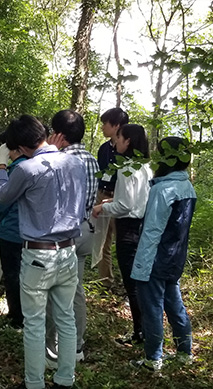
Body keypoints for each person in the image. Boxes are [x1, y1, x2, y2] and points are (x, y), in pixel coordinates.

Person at [0, 115, 86, 389]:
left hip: (38, 255)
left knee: (34, 323)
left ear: (21, 147)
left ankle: (34, 382)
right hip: (68, 251)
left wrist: (2, 166)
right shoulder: (76, 162)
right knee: (66, 318)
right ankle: (65, 379)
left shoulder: (27, 169)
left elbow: (4, 196)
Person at [130, 137, 196, 372]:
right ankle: (184, 352)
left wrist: (140, 267)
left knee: (152, 309)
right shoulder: (187, 186)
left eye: (160, 153)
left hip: (155, 259)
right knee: (174, 304)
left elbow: (152, 231)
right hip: (174, 257)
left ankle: (153, 359)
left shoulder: (162, 189)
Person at [44, 110, 99, 366]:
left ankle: (52, 347)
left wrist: (48, 154)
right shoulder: (91, 159)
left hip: (61, 235)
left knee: (53, 289)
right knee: (76, 289)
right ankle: (77, 346)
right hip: (86, 229)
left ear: (59, 135)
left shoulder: (59, 160)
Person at [92, 124, 152, 346]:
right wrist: (111, 201)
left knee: (132, 284)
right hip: (140, 226)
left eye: (118, 138)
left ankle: (140, 333)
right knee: (137, 282)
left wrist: (102, 208)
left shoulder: (126, 168)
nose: (115, 142)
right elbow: (136, 200)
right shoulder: (143, 166)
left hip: (128, 228)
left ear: (128, 141)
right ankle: (144, 331)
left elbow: (125, 205)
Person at [0, 132, 27, 330]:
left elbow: (5, 200)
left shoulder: (16, 169)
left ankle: (17, 318)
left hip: (12, 231)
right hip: (25, 232)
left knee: (12, 275)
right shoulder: (29, 165)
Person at [94, 108, 129, 287]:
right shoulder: (103, 149)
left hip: (120, 199)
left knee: (124, 241)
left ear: (116, 126)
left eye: (105, 124)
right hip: (103, 195)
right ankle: (105, 281)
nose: (102, 128)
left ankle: (129, 282)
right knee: (102, 240)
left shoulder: (128, 150)